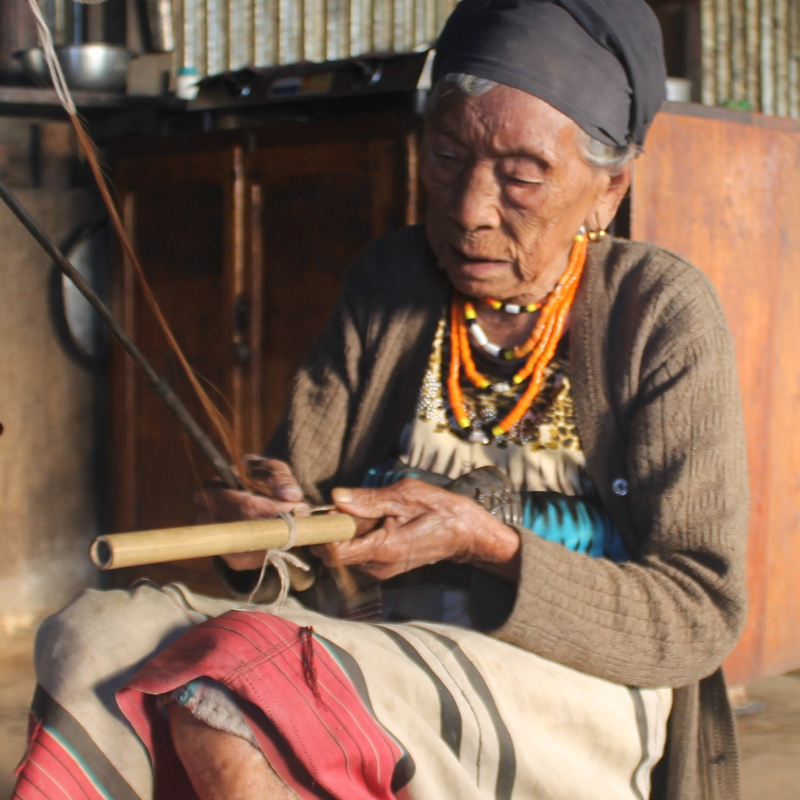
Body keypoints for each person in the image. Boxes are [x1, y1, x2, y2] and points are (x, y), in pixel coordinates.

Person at [12, 2, 749, 800]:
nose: (468, 209)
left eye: (521, 175)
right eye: (445, 154)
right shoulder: (391, 277)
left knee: (231, 698)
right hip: (373, 643)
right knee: (96, 639)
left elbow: (699, 611)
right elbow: (295, 543)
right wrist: (261, 530)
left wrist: (487, 544)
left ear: (609, 189)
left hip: (570, 680)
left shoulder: (660, 312)